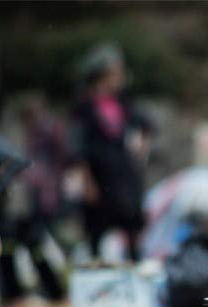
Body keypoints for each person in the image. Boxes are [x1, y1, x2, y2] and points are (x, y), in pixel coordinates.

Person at [70, 43, 152, 262]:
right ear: (101, 75)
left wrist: (142, 143)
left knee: (131, 228)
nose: (120, 77)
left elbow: (145, 125)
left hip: (123, 175)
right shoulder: (84, 107)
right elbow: (79, 147)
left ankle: (135, 270)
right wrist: (87, 182)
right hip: (98, 176)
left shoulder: (123, 103)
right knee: (97, 230)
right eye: (115, 72)